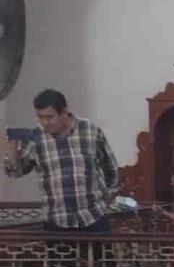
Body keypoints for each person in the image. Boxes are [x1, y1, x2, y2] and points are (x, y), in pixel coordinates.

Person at [3, 89, 119, 234]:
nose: (45, 122)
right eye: (40, 117)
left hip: (93, 217)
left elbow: (110, 167)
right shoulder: (36, 137)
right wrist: (11, 155)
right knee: (59, 256)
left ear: (64, 112)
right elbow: (16, 172)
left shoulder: (89, 130)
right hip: (56, 221)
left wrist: (107, 199)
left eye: (50, 117)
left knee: (102, 257)